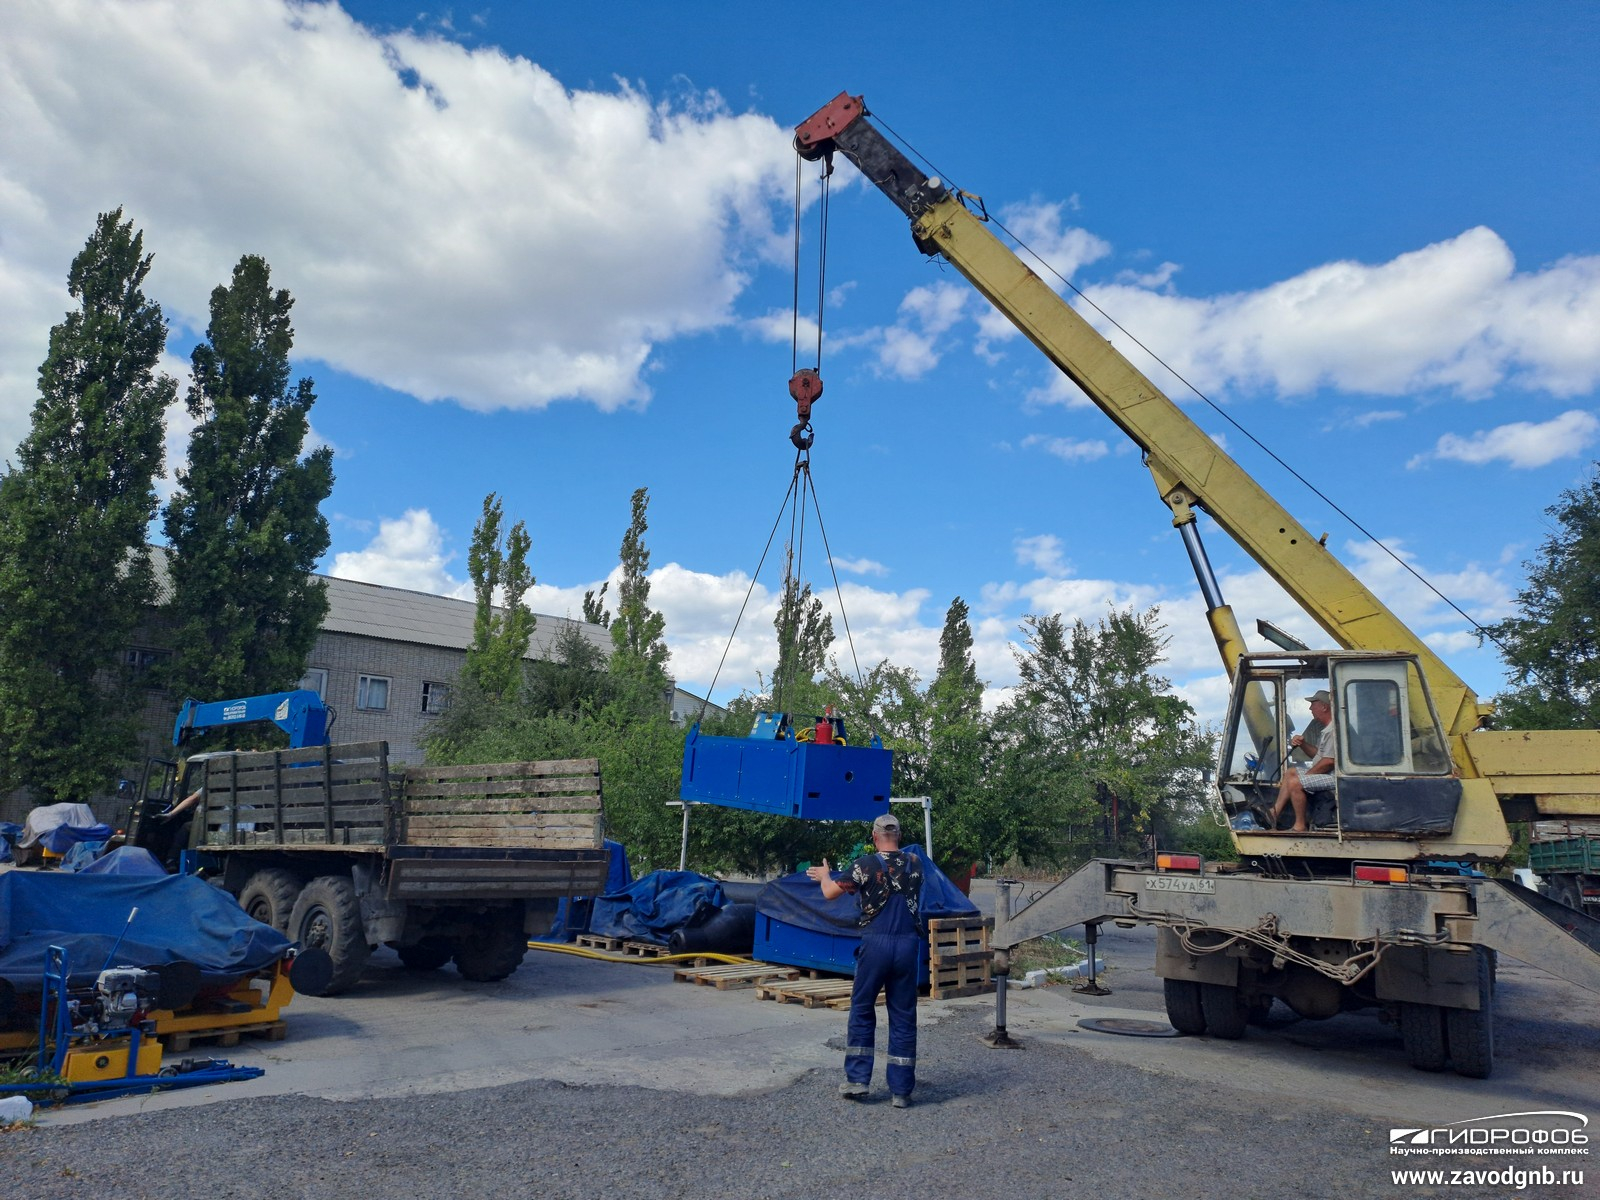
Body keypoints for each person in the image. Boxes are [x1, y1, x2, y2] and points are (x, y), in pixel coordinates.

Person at [805, 811, 924, 1108]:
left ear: (874, 837)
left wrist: (825, 876)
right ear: (899, 836)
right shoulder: (915, 863)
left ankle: (858, 1080)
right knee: (903, 1014)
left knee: (861, 1008)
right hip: (908, 944)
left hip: (876, 944)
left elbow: (831, 893)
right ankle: (901, 1091)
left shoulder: (864, 865)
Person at [1266, 689, 1336, 832]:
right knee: (1291, 772)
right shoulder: (1326, 730)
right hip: (1326, 774)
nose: (1310, 708)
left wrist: (1306, 777)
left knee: (1295, 782)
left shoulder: (1333, 730)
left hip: (1335, 778)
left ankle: (1299, 826)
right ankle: (1274, 812)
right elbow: (1320, 756)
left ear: (1324, 707)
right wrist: (1302, 744)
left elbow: (1329, 762)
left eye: (1313, 704)